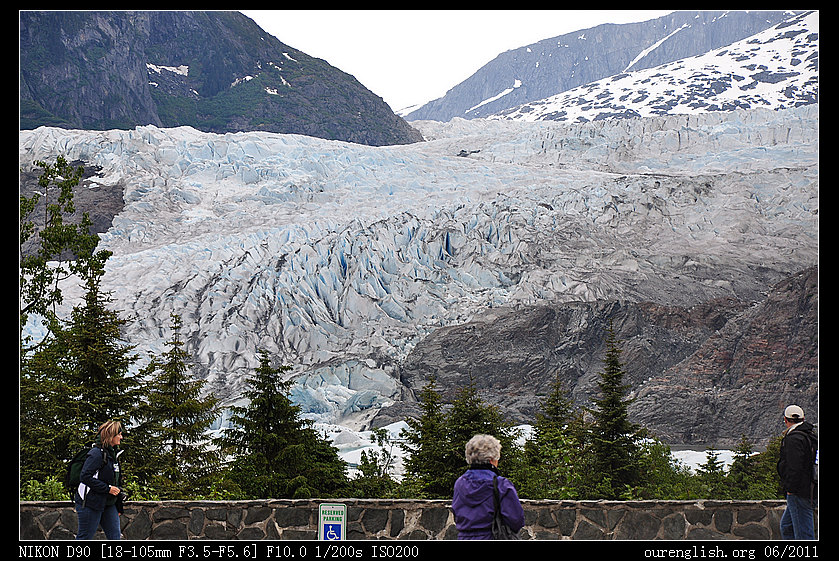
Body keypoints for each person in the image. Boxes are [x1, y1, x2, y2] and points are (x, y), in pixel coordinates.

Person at [452, 434, 525, 540]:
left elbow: (457, 513)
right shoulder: (501, 485)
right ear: (492, 459)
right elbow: (516, 520)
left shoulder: (460, 483)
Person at [75, 420, 125, 540]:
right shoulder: (96, 454)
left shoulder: (113, 456)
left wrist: (118, 506)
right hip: (90, 503)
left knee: (115, 537)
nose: (121, 437)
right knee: (85, 537)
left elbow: (116, 483)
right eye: (119, 434)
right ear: (111, 435)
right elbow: (85, 477)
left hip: (108, 504)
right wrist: (107, 489)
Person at [777, 405, 818, 540]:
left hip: (799, 492)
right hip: (810, 488)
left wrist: (791, 489)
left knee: (803, 533)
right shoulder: (811, 436)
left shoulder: (793, 439)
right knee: (787, 527)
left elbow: (794, 467)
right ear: (803, 418)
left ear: (785, 420)